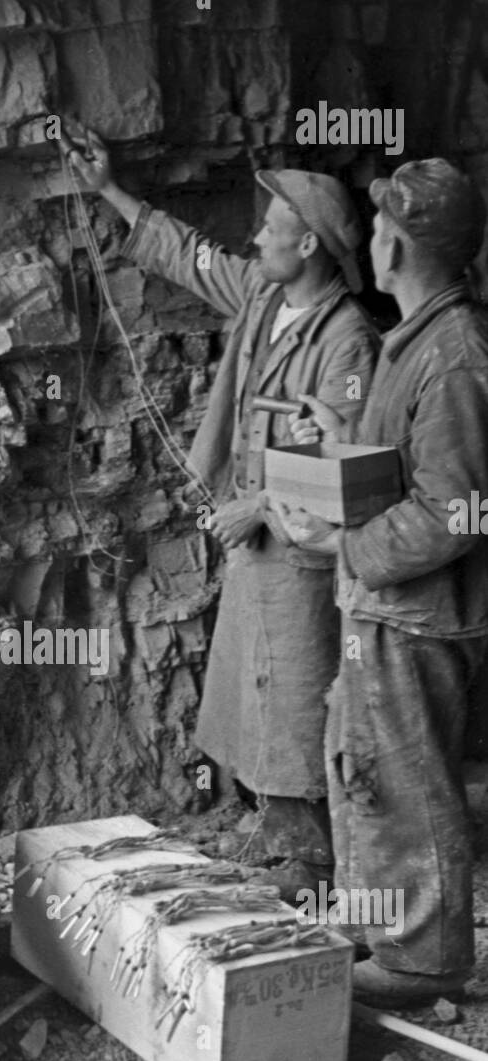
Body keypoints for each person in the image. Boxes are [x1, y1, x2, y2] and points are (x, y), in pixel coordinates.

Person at [64, 129, 377, 894]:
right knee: (251, 685)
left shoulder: (348, 341)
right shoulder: (264, 296)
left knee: (298, 688)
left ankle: (309, 858)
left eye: (269, 229)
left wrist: (259, 507)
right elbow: (190, 254)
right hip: (254, 539)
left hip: (301, 549)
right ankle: (276, 833)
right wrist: (109, 189)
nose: (255, 237)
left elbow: (358, 465)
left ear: (304, 244)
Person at [272, 159, 488, 1006]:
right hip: (388, 602)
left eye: (379, 227)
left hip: (422, 610)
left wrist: (347, 542)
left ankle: (424, 957)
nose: (370, 239)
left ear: (395, 243)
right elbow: (411, 458)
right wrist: (340, 429)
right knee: (360, 766)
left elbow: (462, 509)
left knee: (407, 782)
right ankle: (379, 925)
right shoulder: (417, 336)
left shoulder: (457, 353)